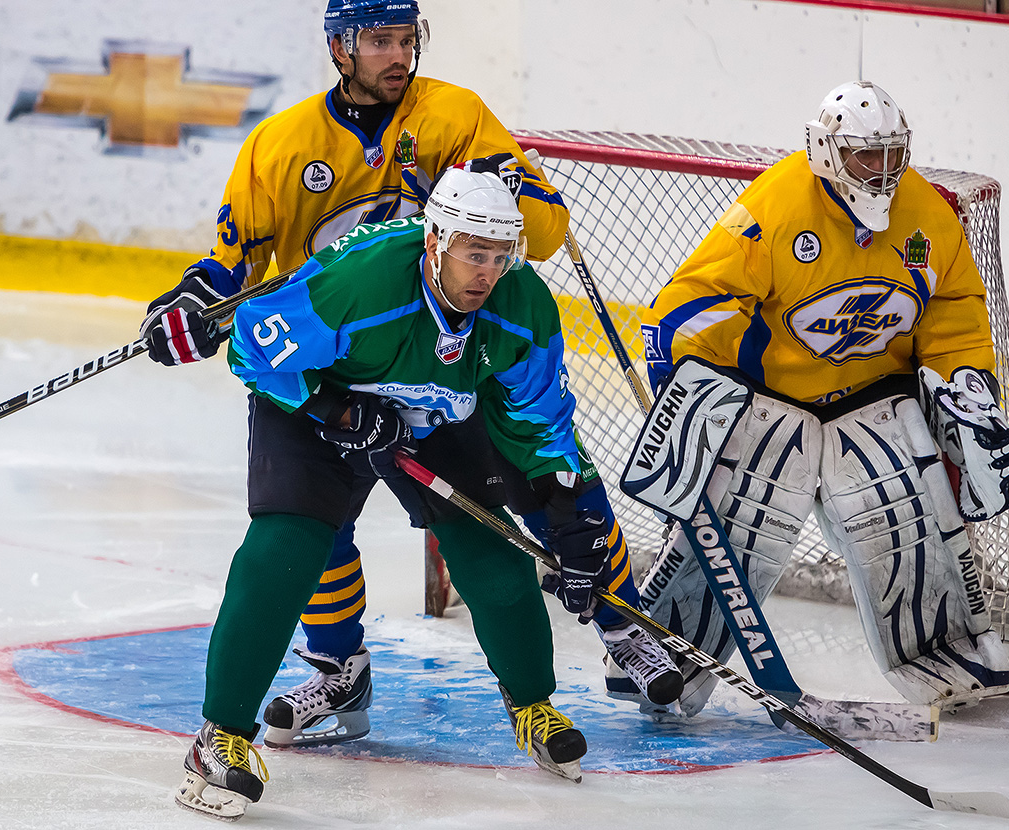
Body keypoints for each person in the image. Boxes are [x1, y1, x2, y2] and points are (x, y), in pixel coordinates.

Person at [141, 0, 681, 751]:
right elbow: (236, 268)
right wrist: (198, 299)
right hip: (331, 358)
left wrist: (500, 184)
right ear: (339, 47)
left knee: (541, 482)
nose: (399, 55)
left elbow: (542, 235)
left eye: (408, 39)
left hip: (445, 358)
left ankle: (622, 626)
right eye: (380, 41)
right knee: (308, 528)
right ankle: (338, 666)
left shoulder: (454, 117)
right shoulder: (282, 144)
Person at [168, 169, 621, 819]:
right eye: (472, 252)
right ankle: (219, 739)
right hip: (316, 405)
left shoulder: (521, 306)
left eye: (499, 256)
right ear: (435, 242)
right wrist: (338, 410)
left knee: (489, 542)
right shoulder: (361, 281)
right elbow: (251, 344)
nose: (486, 272)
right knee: (287, 546)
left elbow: (541, 420)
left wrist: (570, 511)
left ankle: (534, 706)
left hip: (430, 413)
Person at [635, 80, 1009, 719]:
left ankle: (943, 653)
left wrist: (966, 391)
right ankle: (663, 655)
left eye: (891, 155)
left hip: (876, 401)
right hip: (773, 404)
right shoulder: (776, 208)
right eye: (861, 156)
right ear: (825, 151)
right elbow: (694, 303)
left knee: (906, 521)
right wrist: (689, 393)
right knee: (736, 528)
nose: (879, 172)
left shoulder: (928, 216)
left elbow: (954, 313)